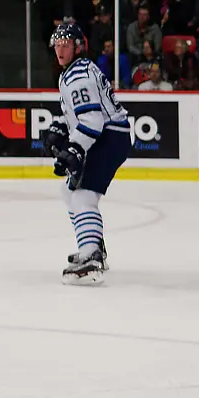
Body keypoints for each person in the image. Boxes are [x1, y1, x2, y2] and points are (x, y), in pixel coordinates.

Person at [40, 23, 132, 285]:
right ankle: (93, 245)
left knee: (82, 196)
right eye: (57, 45)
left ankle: (92, 256)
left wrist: (75, 149)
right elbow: (80, 114)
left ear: (78, 47)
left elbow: (92, 120)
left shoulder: (78, 74)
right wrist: (61, 126)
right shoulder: (74, 71)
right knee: (68, 190)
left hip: (108, 137)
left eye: (66, 45)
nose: (60, 50)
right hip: (109, 135)